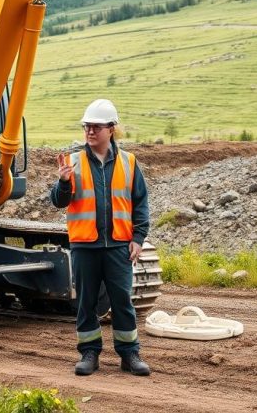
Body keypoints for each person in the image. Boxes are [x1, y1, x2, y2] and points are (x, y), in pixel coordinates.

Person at [51, 98, 152, 376]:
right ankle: (89, 353)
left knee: (122, 301)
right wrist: (63, 181)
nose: (90, 131)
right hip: (85, 245)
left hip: (119, 246)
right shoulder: (72, 162)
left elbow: (140, 202)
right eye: (87, 126)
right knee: (86, 302)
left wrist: (138, 237)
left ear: (111, 129)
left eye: (96, 127)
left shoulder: (129, 163)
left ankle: (130, 354)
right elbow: (58, 202)